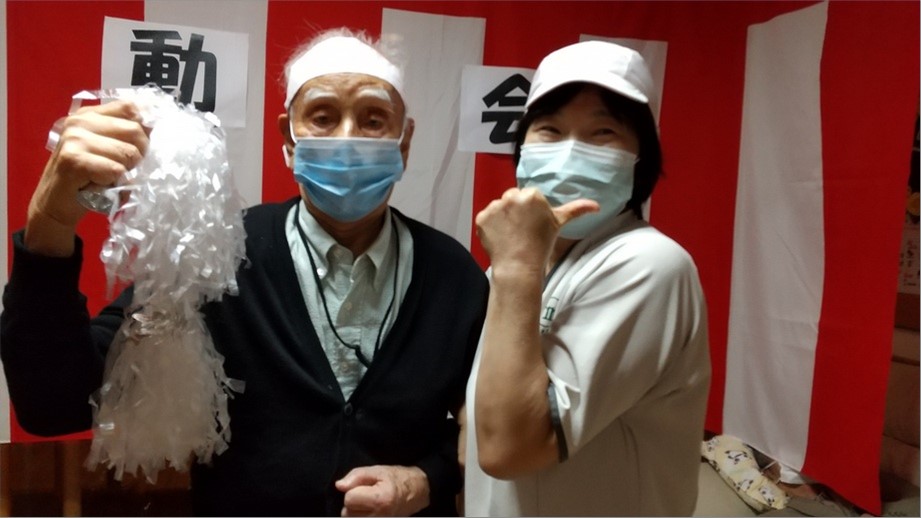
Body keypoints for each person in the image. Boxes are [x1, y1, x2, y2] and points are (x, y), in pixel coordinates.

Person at [1, 28, 489, 516]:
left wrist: (425, 480)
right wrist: (50, 220)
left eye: (373, 120)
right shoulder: (219, 255)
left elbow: (490, 425)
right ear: (288, 139)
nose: (347, 138)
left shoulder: (452, 276)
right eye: (322, 117)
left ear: (404, 143)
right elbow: (53, 402)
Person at [461, 40, 711, 516]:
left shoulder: (648, 264)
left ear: (641, 158)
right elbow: (483, 409)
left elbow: (508, 449)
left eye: (603, 132)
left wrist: (515, 268)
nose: (570, 151)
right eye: (550, 130)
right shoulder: (523, 262)